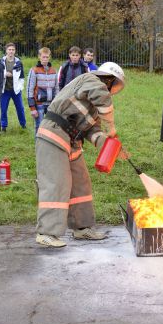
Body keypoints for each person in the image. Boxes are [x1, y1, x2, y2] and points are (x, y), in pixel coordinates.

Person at [35, 61, 126, 248]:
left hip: (72, 142)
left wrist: (112, 148)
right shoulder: (90, 79)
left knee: (81, 184)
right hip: (53, 135)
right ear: (108, 80)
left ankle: (82, 228)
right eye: (112, 84)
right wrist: (112, 127)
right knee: (57, 183)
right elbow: (101, 96)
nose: (110, 90)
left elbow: (93, 131)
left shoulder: (93, 107)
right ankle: (47, 233)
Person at [27, 47, 59, 135]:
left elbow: (56, 88)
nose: (45, 59)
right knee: (39, 126)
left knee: (51, 127)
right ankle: (38, 146)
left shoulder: (54, 71)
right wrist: (32, 108)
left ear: (49, 57)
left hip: (51, 104)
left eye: (47, 57)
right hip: (39, 104)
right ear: (39, 57)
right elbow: (29, 89)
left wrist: (56, 103)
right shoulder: (34, 70)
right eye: (43, 57)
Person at [0, 43, 26, 131]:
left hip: (16, 91)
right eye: (9, 49)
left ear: (15, 51)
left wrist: (19, 88)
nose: (11, 51)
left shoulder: (19, 62)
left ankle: (23, 125)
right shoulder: (1, 62)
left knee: (20, 108)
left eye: (13, 50)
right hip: (5, 90)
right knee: (3, 109)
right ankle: (3, 126)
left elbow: (22, 77)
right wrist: (5, 74)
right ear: (6, 51)